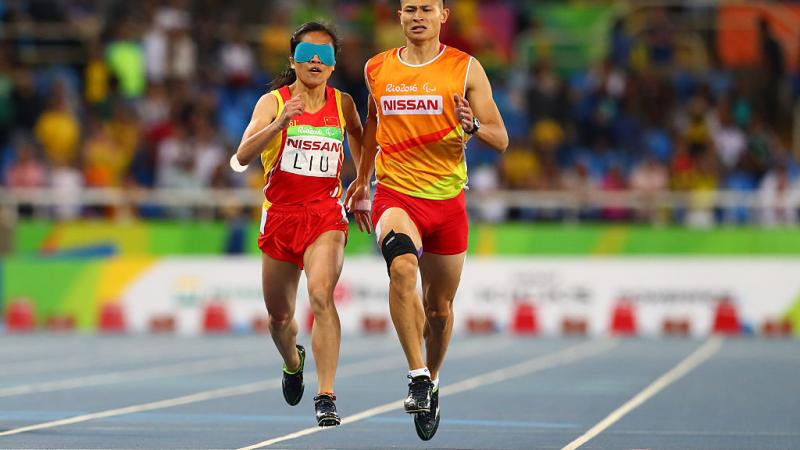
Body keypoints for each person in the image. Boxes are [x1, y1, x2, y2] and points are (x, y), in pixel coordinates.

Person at [344, 0, 508, 441]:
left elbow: (501, 137)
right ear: (399, 17)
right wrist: (361, 180)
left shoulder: (466, 68)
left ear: (443, 16)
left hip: (448, 201)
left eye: (426, 9)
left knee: (439, 310)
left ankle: (432, 379)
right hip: (396, 194)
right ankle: (416, 373)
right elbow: (374, 123)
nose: (417, 16)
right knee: (400, 267)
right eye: (409, 9)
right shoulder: (376, 68)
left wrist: (472, 126)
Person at [233, 22, 363, 427]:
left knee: (322, 296)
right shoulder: (273, 102)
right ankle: (293, 362)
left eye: (324, 55)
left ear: (334, 63)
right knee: (279, 319)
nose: (315, 61)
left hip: (324, 216)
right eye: (307, 53)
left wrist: (362, 181)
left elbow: (362, 137)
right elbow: (239, 158)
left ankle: (326, 395)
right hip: (281, 219)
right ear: (293, 60)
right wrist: (278, 124)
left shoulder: (342, 105)